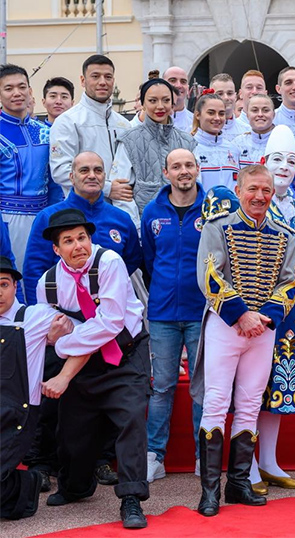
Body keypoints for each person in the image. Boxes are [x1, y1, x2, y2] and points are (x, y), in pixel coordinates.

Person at [190, 164, 295, 516]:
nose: (259, 197)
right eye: (253, 189)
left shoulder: (284, 234)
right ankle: (209, 492)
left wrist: (266, 315)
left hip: (264, 328)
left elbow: (290, 281)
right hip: (226, 325)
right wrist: (241, 314)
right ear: (239, 190)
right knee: (216, 403)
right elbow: (209, 275)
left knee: (250, 405)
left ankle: (238, 484)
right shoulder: (218, 227)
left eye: (266, 190)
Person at [36, 208, 152, 528]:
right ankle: (76, 487)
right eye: (68, 241)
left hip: (125, 356)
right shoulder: (47, 284)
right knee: (73, 432)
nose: (78, 246)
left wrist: (63, 345)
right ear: (56, 249)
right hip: (85, 366)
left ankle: (131, 497)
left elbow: (110, 323)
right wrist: (52, 338)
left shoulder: (110, 262)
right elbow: (46, 331)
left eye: (82, 237)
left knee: (131, 420)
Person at [246, 125, 295, 496]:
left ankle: (268, 460)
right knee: (251, 385)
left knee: (278, 388)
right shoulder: (247, 207)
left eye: (292, 161)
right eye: (277, 160)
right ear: (263, 162)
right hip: (253, 308)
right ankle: (247, 463)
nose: (285, 167)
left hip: (291, 312)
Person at [140, 149, 206, 483]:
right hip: (163, 312)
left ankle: (202, 455)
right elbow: (150, 262)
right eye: (176, 166)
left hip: (201, 312)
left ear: (197, 169)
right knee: (162, 386)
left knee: (201, 388)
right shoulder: (152, 211)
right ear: (166, 172)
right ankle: (154, 456)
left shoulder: (212, 210)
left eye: (189, 165)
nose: (183, 171)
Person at [0, 257, 72, 520]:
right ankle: (22, 488)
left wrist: (59, 334)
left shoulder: (35, 315)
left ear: (16, 287)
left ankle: (23, 486)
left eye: (3, 284)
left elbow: (82, 331)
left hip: (19, 413)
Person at [24, 151, 142, 307]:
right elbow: (34, 269)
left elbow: (132, 259)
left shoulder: (121, 219)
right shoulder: (48, 217)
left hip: (113, 309)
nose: (92, 175)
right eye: (84, 170)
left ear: (104, 176)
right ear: (72, 177)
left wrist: (110, 282)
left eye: (98, 170)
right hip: (64, 310)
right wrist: (40, 314)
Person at [109, 77, 198, 220]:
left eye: (166, 100)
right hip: (144, 227)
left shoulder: (187, 141)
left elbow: (197, 184)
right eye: (153, 101)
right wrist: (137, 229)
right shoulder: (129, 140)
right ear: (142, 103)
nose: (160, 106)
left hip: (184, 223)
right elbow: (122, 195)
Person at [50, 55, 131, 200]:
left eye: (108, 77)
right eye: (95, 76)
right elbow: (61, 171)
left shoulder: (124, 125)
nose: (102, 82)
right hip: (83, 209)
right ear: (83, 80)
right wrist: (107, 189)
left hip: (121, 210)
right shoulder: (68, 121)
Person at [0, 64, 54, 271]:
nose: (17, 93)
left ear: (30, 90)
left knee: (44, 278)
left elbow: (55, 181)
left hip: (45, 216)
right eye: (8, 88)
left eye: (22, 87)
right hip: (7, 218)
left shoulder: (47, 131)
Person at [190, 92, 241, 192]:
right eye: (211, 113)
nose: (217, 118)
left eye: (221, 113)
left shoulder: (233, 149)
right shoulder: (190, 147)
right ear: (198, 115)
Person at [233, 93, 278, 167]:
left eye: (265, 110)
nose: (260, 114)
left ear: (273, 114)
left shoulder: (282, 141)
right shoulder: (237, 144)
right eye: (255, 110)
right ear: (247, 115)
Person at [209, 73, 245, 140]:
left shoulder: (246, 130)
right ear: (210, 96)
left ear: (235, 96)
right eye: (220, 94)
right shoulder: (200, 131)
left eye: (229, 93)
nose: (226, 98)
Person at [162, 66, 194, 133]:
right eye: (173, 80)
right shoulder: (152, 119)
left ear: (188, 89)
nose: (179, 85)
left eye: (183, 81)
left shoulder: (196, 122)